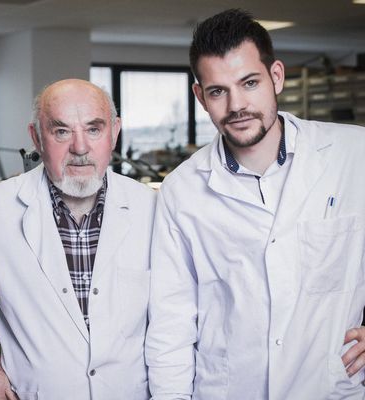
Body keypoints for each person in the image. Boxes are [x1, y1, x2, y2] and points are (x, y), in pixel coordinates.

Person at [146, 8, 365, 400]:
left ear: (276, 76)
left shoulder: (354, 155)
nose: (236, 105)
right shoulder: (181, 191)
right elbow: (171, 325)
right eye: (218, 91)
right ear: (200, 96)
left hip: (330, 387)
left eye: (249, 83)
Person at [0, 79, 155, 399]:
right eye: (61, 131)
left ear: (114, 132)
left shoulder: (154, 209)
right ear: (36, 137)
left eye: (94, 129)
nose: (80, 148)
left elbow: (180, 322)